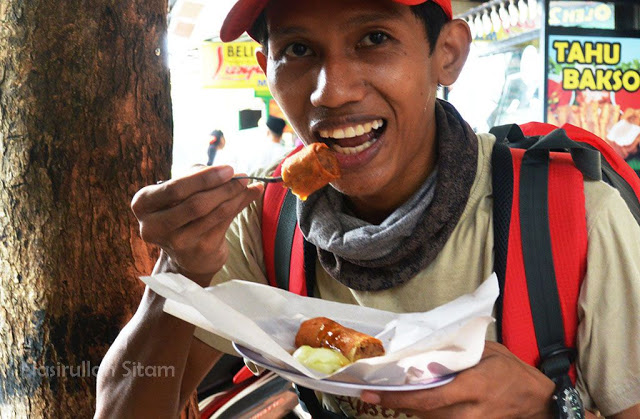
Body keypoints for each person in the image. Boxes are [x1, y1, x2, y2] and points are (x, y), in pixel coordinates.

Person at [96, 0, 640, 418]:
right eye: (299, 51)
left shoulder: (574, 218)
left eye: (374, 38)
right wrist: (178, 270)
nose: (331, 93)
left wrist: (553, 410)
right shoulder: (264, 221)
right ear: (267, 68)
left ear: (447, 54)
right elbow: (126, 406)